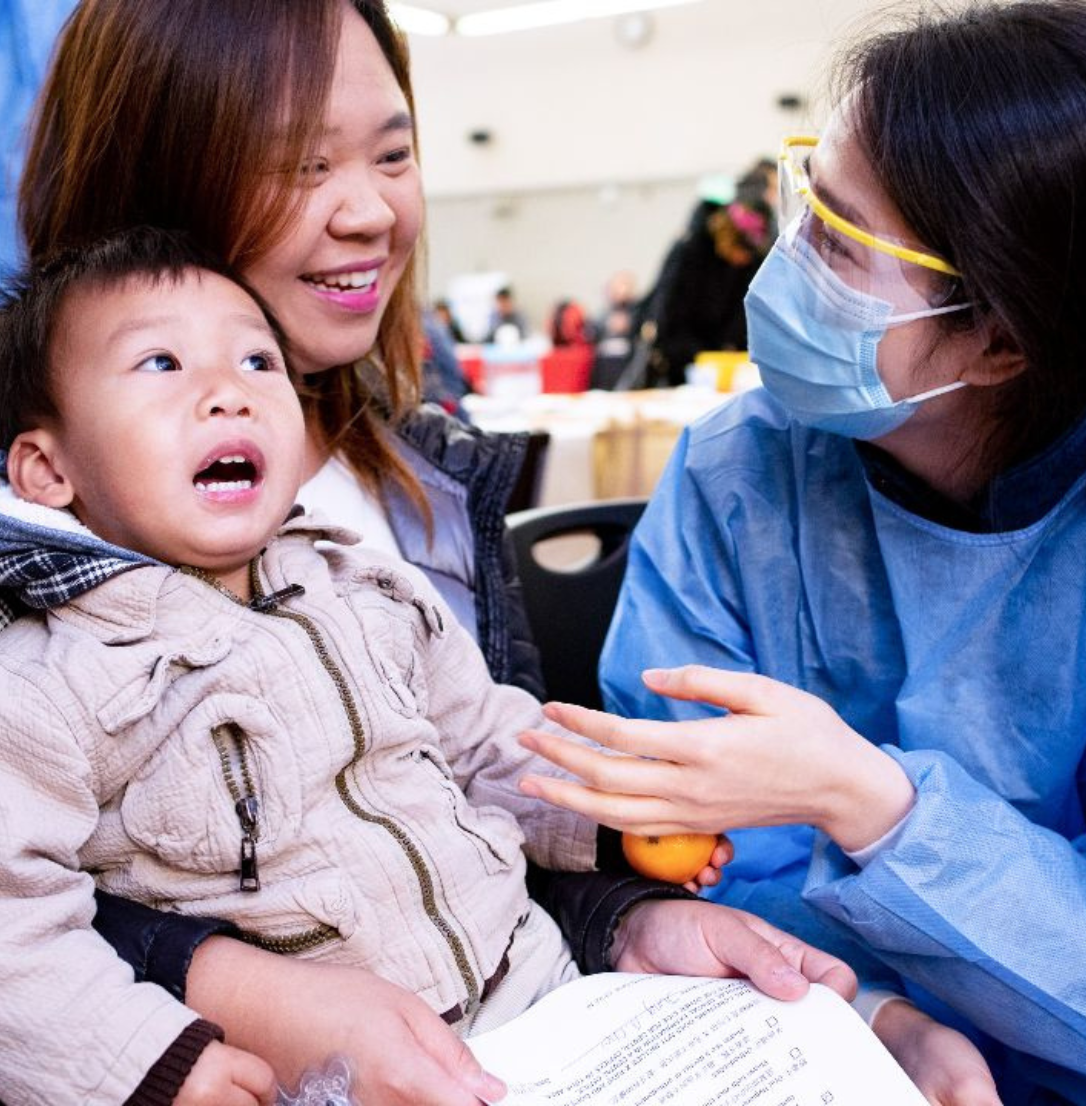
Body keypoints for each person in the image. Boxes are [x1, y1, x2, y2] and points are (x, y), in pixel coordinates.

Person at [11, 2, 860, 1103]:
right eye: (296, 165)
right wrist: (198, 997)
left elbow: (462, 781)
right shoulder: (45, 594)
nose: (368, 209)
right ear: (155, 180)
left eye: (395, 153)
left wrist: (625, 895)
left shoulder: (412, 502)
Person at [516, 2, 1086, 1102]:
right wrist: (880, 1010)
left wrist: (873, 803)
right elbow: (695, 845)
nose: (781, 267)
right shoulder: (741, 471)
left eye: (838, 241)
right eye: (801, 201)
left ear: (1003, 337)